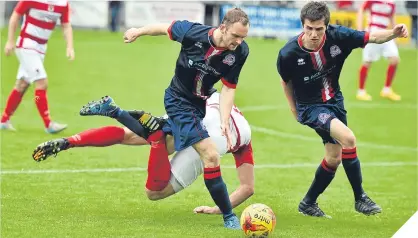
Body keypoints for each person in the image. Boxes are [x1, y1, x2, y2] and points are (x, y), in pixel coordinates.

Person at [277, 1, 408, 218]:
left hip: (334, 101)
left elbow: (372, 37)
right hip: (311, 107)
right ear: (302, 25)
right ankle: (360, 198)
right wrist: (295, 110)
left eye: (319, 29)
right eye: (309, 28)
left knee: (334, 157)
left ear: (326, 26)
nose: (313, 34)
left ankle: (308, 203)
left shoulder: (339, 37)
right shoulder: (288, 53)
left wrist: (393, 33)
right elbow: (286, 82)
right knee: (348, 139)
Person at [122, 8, 250, 229]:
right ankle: (229, 217)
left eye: (243, 37)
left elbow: (229, 88)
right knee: (210, 155)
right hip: (178, 100)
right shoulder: (192, 33)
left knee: (167, 141)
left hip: (200, 104)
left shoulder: (239, 52)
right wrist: (138, 31)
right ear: (222, 28)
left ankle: (142, 124)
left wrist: (224, 121)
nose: (239, 41)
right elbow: (164, 28)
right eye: (235, 36)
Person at [32, 92, 255, 215]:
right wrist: (219, 210)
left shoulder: (221, 99)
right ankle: (154, 137)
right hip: (214, 137)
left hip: (197, 110)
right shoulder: (243, 135)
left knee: (131, 135)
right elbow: (247, 188)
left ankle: (73, 139)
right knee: (154, 192)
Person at [1, 0, 74, 133]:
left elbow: (66, 25)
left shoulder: (63, 3)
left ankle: (4, 120)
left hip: (41, 48)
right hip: (26, 45)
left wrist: (69, 47)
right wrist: (10, 41)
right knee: (41, 82)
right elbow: (15, 16)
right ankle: (48, 124)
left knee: (22, 85)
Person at [356, 0, 401, 101]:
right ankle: (361, 91)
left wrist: (396, 34)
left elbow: (392, 18)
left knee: (395, 59)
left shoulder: (391, 2)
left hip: (387, 33)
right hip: (373, 32)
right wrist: (359, 29)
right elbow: (361, 10)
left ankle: (387, 90)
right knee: (367, 62)